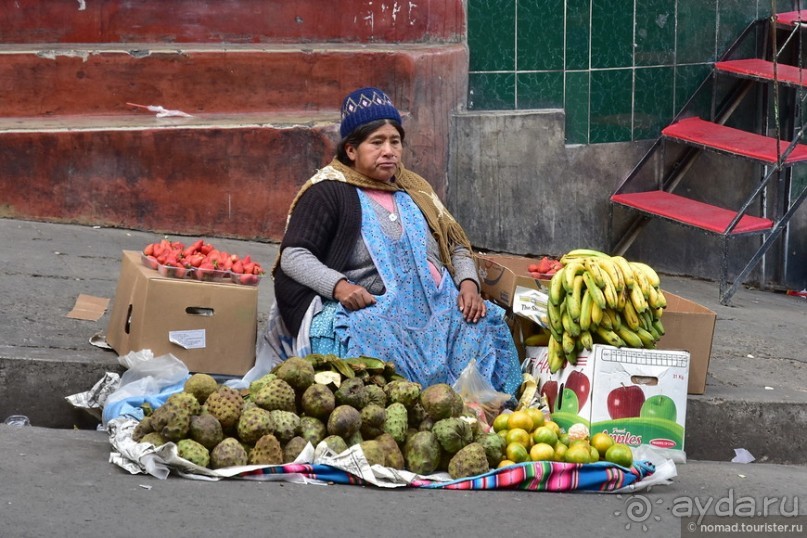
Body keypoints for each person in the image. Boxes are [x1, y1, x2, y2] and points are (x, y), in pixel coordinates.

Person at [256, 87, 521, 395]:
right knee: (365, 333)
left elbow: (456, 245)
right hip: (377, 309)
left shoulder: (415, 188)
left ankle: (485, 408)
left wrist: (469, 285)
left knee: (481, 323)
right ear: (351, 150)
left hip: (436, 308)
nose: (389, 151)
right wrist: (340, 287)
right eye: (377, 142)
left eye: (395, 142)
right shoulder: (327, 191)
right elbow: (295, 256)